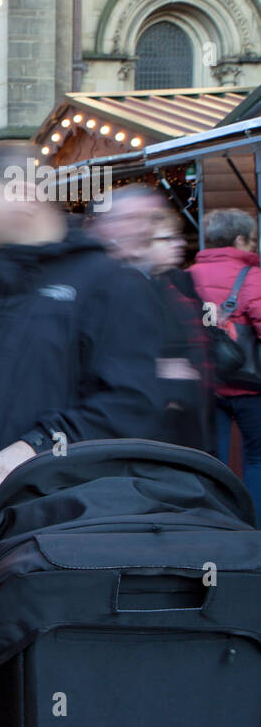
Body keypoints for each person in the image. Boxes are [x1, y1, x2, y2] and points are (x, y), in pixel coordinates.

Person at [0, 141, 162, 727]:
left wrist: (41, 443)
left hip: (48, 529)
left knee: (32, 686)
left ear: (23, 193)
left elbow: (131, 404)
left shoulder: (108, 282)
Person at [92, 185, 213, 451]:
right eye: (131, 219)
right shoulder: (97, 282)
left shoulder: (171, 283)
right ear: (105, 226)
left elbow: (202, 333)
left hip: (179, 425)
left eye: (148, 220)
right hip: (128, 434)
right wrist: (159, 373)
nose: (141, 229)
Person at [189, 208, 261, 515]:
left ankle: (216, 522)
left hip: (206, 385)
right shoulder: (254, 276)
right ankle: (254, 524)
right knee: (257, 457)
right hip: (250, 386)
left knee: (211, 459)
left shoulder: (187, 275)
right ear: (240, 240)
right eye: (253, 240)